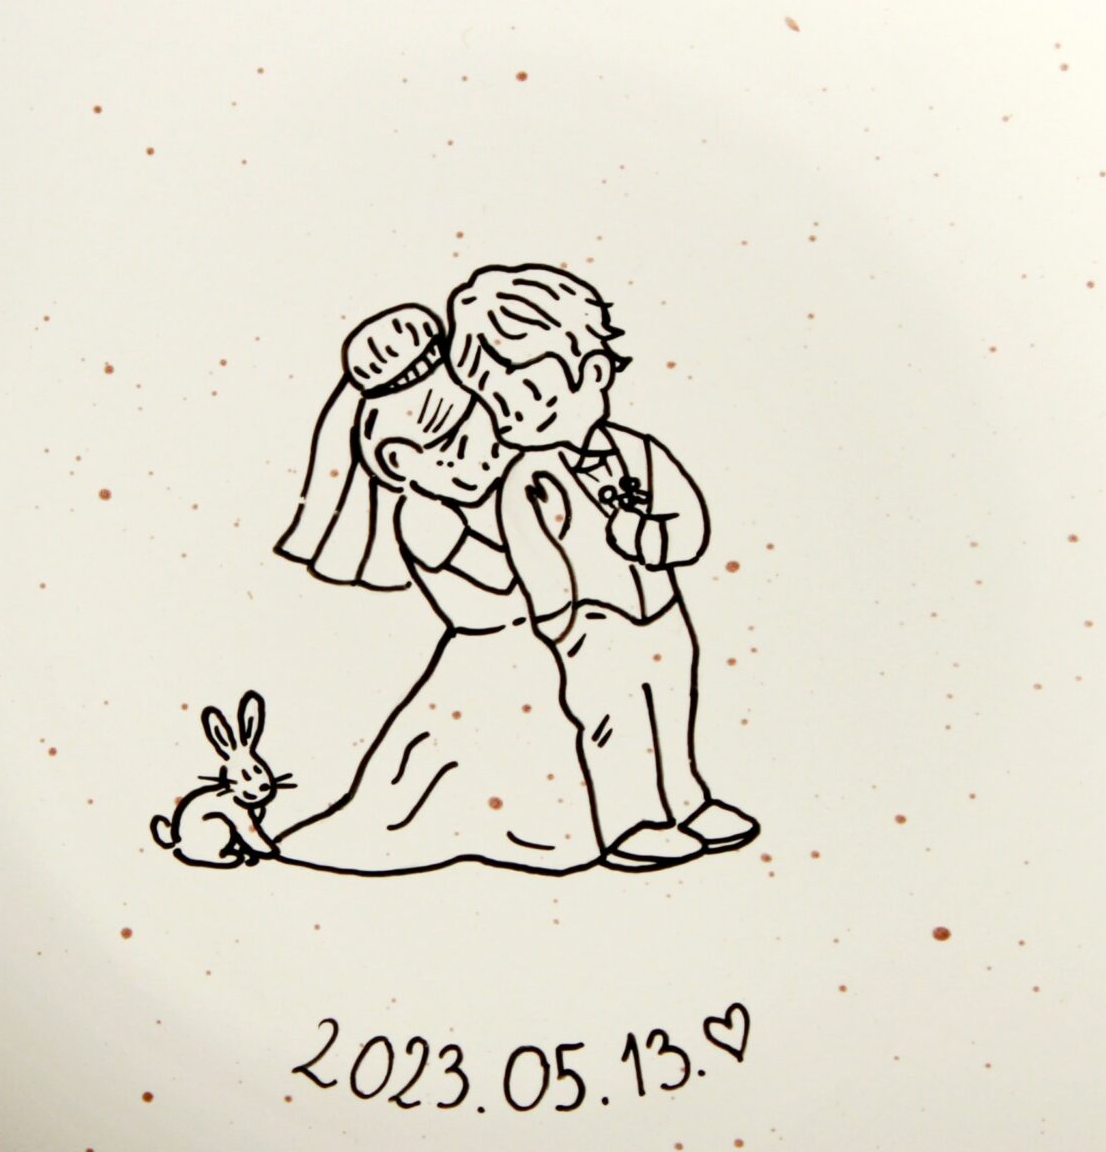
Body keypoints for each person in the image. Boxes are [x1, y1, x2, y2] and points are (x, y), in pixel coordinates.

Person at [446, 265, 758, 871]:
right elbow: (535, 557)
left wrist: (651, 538)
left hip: (661, 611)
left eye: (526, 396)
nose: (509, 418)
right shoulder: (528, 478)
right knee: (614, 716)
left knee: (672, 702)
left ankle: (686, 800)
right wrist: (561, 622)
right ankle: (630, 819)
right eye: (494, 404)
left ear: (591, 373)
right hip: (592, 621)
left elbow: (689, 525)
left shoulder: (641, 451)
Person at [273, 303, 596, 875]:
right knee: (506, 749)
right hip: (490, 653)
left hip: (534, 647)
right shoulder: (426, 518)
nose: (488, 456)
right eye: (456, 449)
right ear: (399, 462)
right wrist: (539, 529)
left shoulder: (496, 492)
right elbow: (504, 576)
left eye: (490, 433)